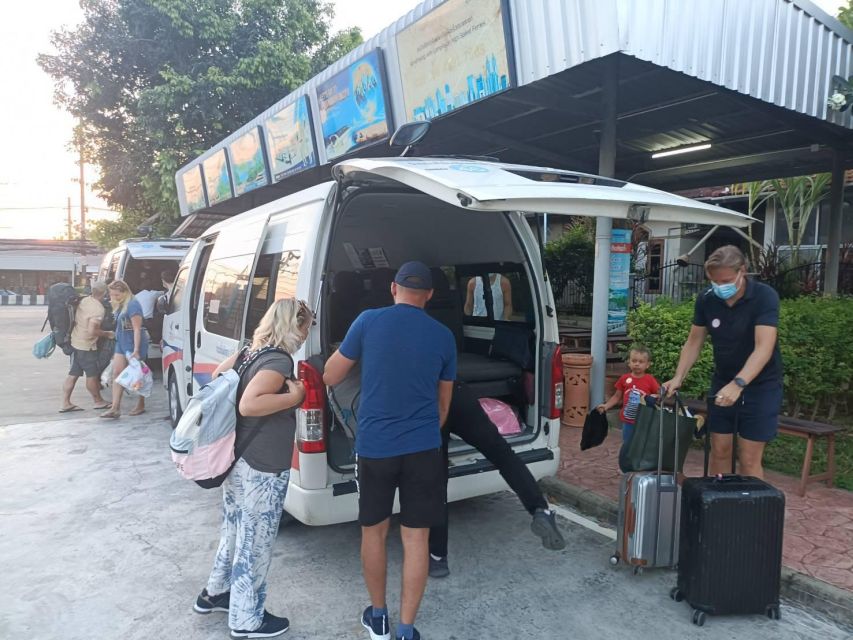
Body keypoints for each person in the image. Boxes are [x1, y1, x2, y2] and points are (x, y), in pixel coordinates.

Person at [324, 261, 455, 640]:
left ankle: (378, 617)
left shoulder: (367, 322)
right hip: (423, 449)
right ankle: (406, 629)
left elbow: (331, 375)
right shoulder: (444, 335)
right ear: (429, 295)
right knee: (416, 539)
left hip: (376, 448)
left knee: (374, 532)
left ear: (394, 289)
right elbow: (443, 407)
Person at [194, 299, 310, 639]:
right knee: (256, 539)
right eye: (306, 326)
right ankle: (247, 619)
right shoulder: (278, 360)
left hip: (240, 458)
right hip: (263, 465)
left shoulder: (250, 352)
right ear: (294, 325)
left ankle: (216, 593)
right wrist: (294, 398)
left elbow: (217, 376)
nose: (307, 334)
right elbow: (250, 404)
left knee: (235, 528)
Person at [663, 245, 783, 478]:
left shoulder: (764, 297)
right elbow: (694, 342)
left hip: (761, 385)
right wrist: (679, 376)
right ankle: (719, 499)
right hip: (723, 381)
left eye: (726, 281)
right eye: (714, 281)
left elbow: (764, 347)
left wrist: (739, 383)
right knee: (719, 450)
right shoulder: (707, 299)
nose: (720, 287)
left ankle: (751, 501)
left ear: (742, 271)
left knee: (749, 457)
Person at [428, 383, 566, 578]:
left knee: (436, 479)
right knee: (502, 454)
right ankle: (539, 508)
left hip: (429, 403)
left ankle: (438, 556)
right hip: (458, 394)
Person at [59, 280, 113, 413]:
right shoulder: (98, 309)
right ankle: (98, 401)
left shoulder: (84, 300)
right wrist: (107, 334)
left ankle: (65, 403)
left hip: (76, 342)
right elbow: (92, 330)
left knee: (73, 374)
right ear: (104, 293)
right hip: (87, 346)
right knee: (92, 375)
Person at [100, 280, 149, 419]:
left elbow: (137, 329)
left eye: (117, 295)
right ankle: (115, 408)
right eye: (112, 295)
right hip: (121, 342)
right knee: (117, 373)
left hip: (133, 343)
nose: (114, 297)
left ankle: (141, 403)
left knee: (138, 374)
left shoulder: (133, 305)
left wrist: (136, 349)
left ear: (125, 292)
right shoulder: (121, 305)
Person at [596, 344, 660, 448]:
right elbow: (617, 396)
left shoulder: (650, 379)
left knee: (642, 443)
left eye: (641, 362)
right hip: (627, 420)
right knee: (627, 443)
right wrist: (606, 406)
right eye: (634, 361)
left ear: (647, 365)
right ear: (629, 362)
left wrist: (656, 396)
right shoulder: (624, 378)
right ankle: (628, 457)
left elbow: (659, 394)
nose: (637, 364)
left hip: (644, 420)